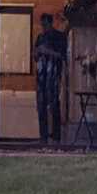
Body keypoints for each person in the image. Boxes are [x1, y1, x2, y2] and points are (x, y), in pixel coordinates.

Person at [33, 13, 69, 145]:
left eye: (45, 24)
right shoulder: (40, 37)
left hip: (53, 75)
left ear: (50, 23)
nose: (43, 27)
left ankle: (56, 136)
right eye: (42, 25)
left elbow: (63, 56)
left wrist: (48, 51)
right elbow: (35, 57)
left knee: (54, 105)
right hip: (41, 75)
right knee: (41, 105)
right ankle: (43, 136)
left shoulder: (59, 37)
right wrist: (37, 53)